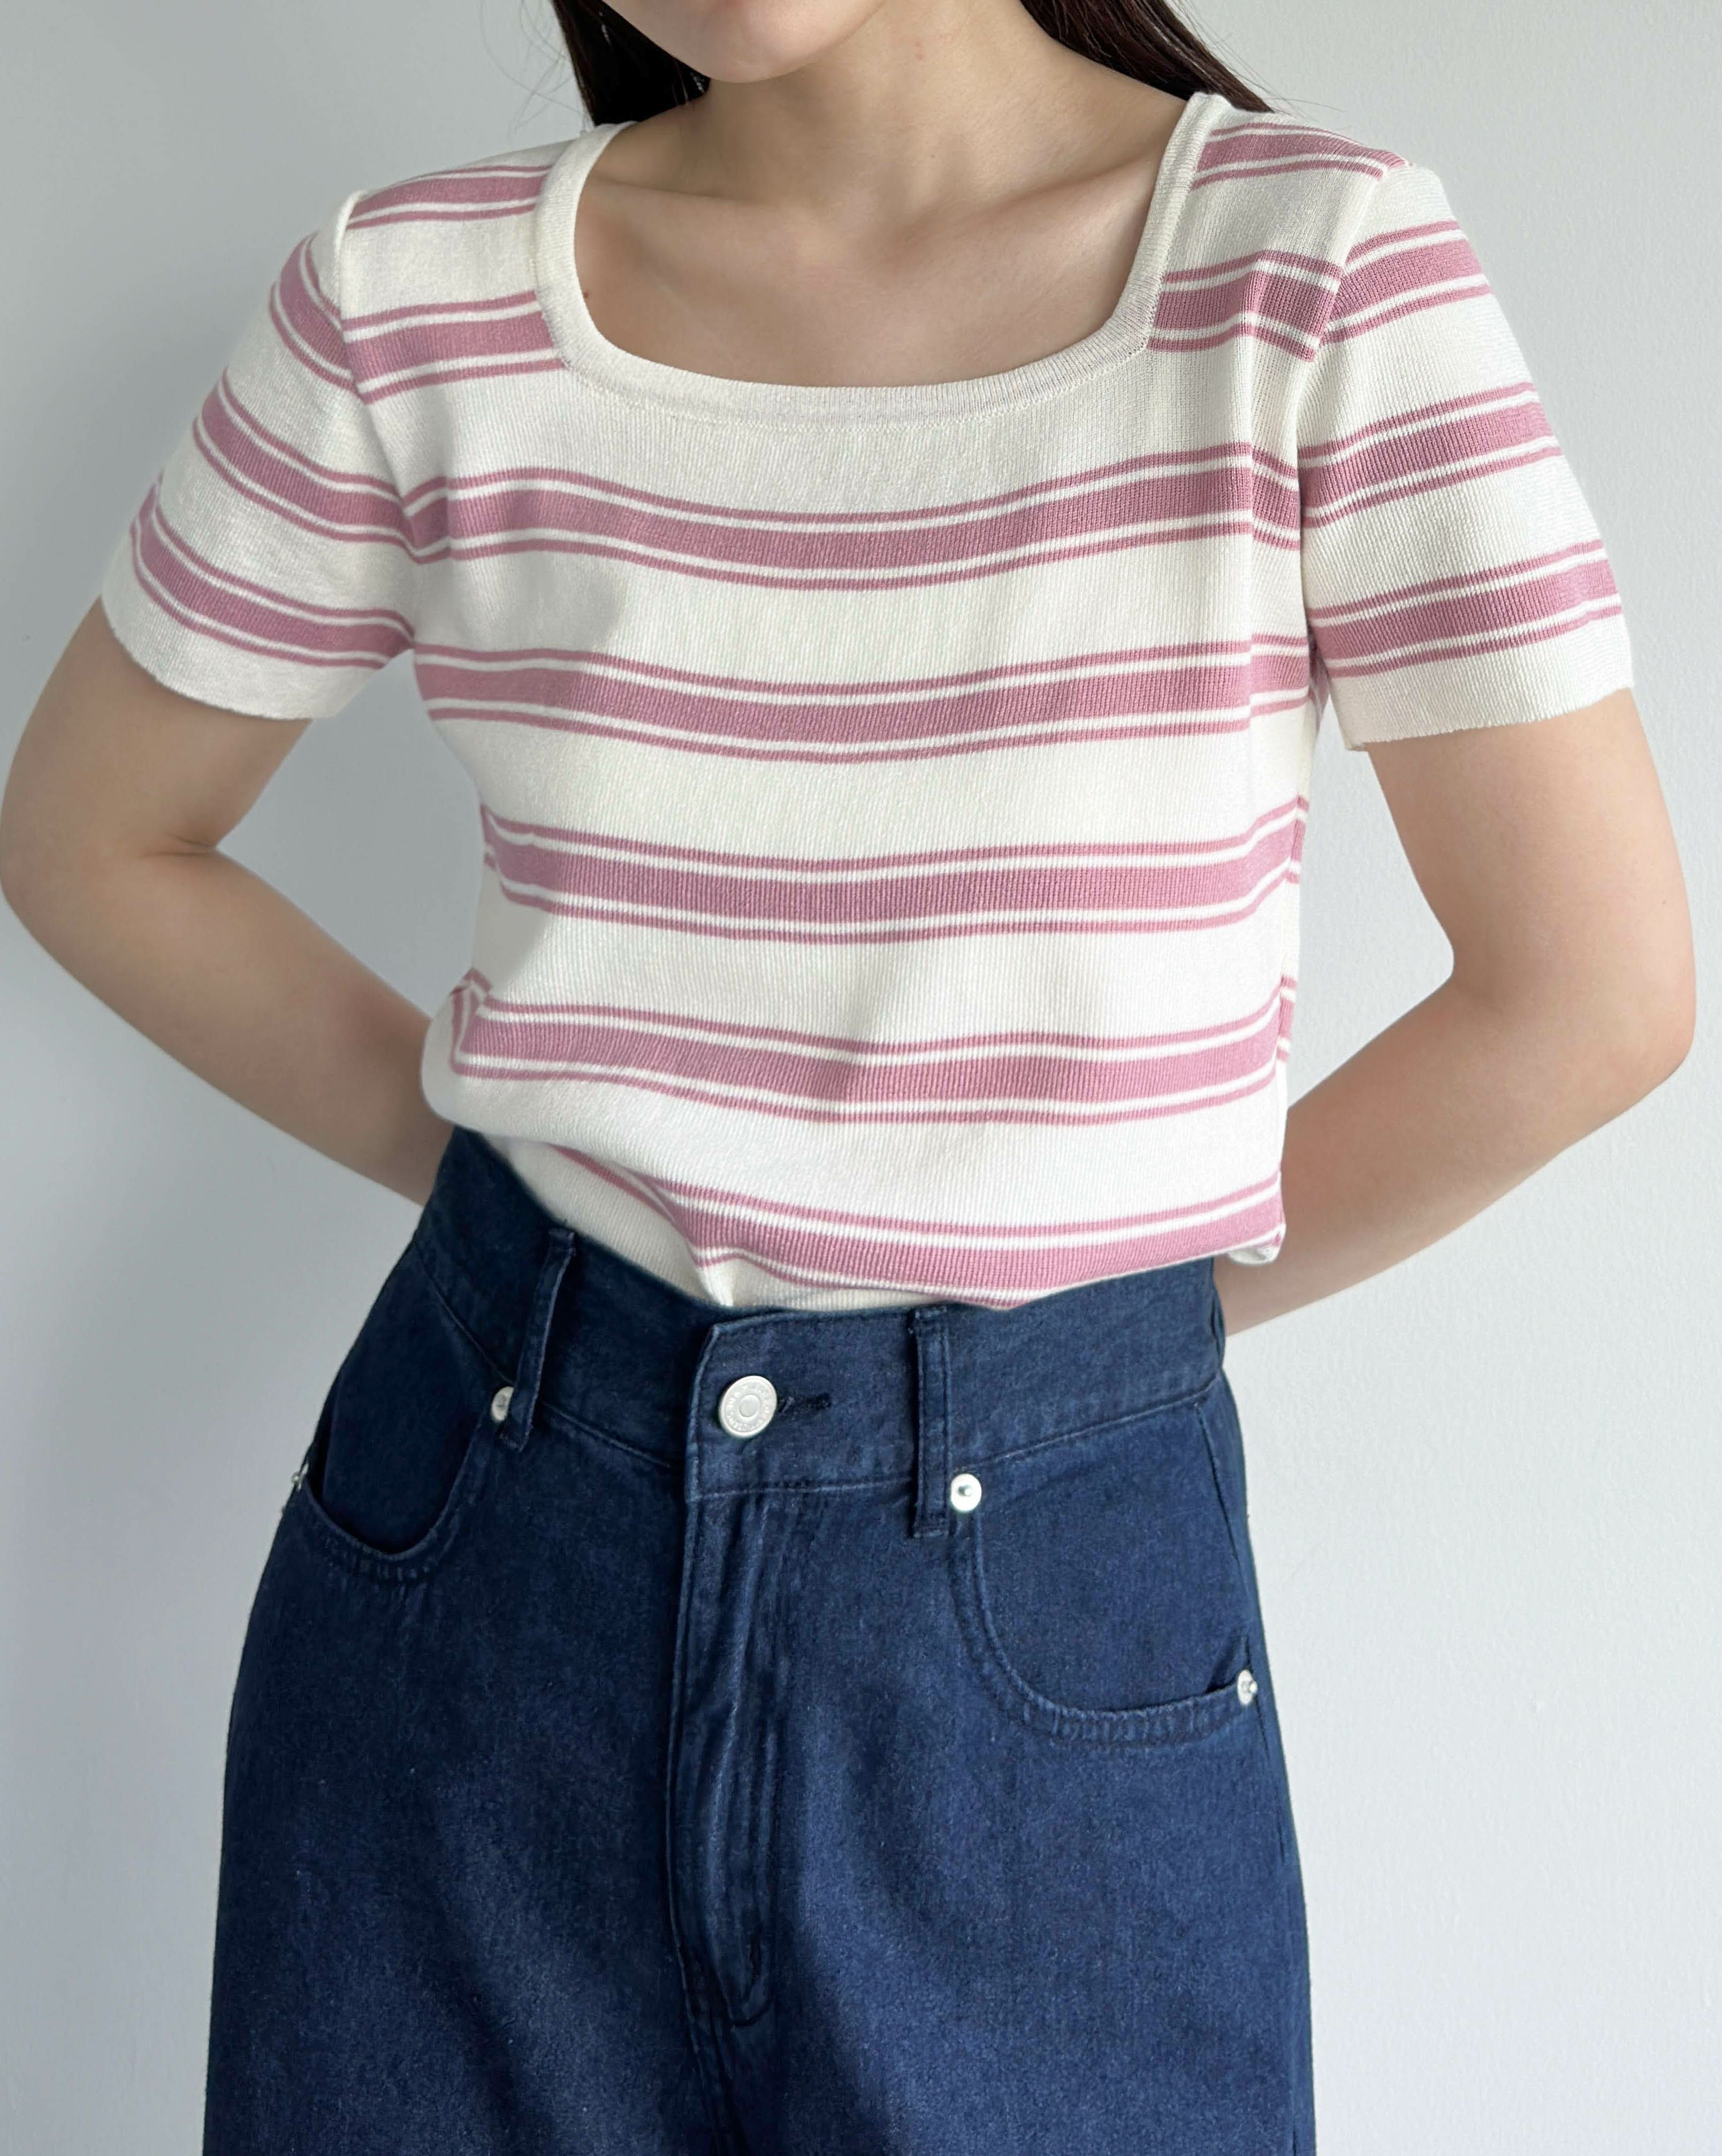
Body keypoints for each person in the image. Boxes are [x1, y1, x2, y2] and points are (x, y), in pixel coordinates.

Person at [0, 1, 1693, 2150]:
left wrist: (1094, 1338)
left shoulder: (1309, 274)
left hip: (1049, 1615)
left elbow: (1589, 989)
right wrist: (502, 1202)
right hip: (483, 1569)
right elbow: (92, 835)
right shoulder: (406, 300)